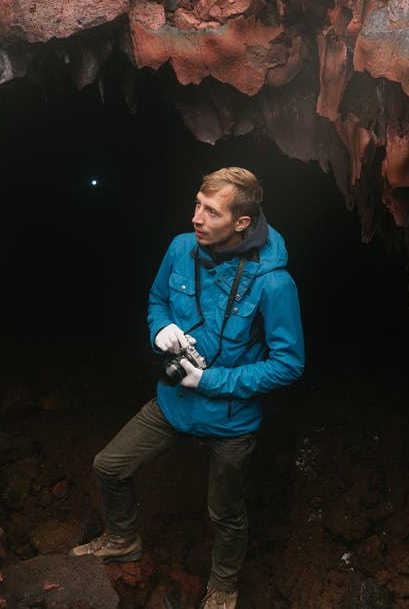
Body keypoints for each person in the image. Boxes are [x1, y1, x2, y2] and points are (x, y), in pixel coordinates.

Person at [71, 167, 306, 609]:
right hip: (175, 400)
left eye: (210, 211)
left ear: (241, 223)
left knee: (224, 512)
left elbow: (289, 364)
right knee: (109, 467)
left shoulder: (274, 282)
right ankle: (122, 538)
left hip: (230, 419)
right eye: (197, 204)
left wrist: (210, 380)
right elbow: (158, 300)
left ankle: (224, 585)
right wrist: (161, 330)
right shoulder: (181, 248)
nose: (196, 217)